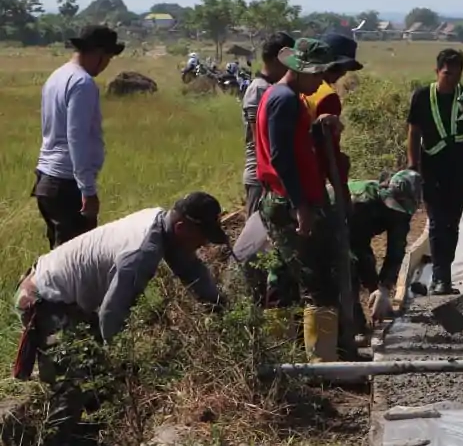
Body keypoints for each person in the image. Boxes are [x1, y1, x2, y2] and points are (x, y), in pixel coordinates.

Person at [13, 193, 228, 382]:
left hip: (64, 299)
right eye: (203, 237)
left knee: (99, 374)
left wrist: (224, 312)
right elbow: (111, 313)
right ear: (181, 228)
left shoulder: (162, 223)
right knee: (75, 380)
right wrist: (125, 363)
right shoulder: (142, 252)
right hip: (43, 298)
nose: (205, 244)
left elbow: (191, 270)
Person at [256, 37, 351, 362]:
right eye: (318, 75)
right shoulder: (285, 100)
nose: (322, 81)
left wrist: (316, 129)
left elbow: (291, 142)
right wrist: (301, 206)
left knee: (282, 279)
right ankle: (323, 363)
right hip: (289, 202)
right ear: (300, 71)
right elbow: (282, 157)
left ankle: (282, 358)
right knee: (318, 282)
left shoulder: (283, 97)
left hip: (281, 200)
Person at [34, 25, 124, 248]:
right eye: (108, 59)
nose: (106, 65)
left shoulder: (57, 76)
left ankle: (31, 283)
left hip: (46, 179)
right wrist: (88, 190)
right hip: (66, 184)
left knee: (59, 260)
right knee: (75, 264)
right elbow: (77, 138)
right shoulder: (82, 83)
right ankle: (29, 284)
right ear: (99, 53)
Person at [406, 49, 463, 296]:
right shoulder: (422, 96)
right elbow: (413, 132)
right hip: (431, 168)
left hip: (458, 167)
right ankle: (439, 277)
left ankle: (444, 274)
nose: (452, 79)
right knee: (436, 222)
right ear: (437, 71)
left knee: (452, 224)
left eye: (456, 74)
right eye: (447, 74)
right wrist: (413, 166)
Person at [347, 170, 423, 326]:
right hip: (324, 225)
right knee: (349, 271)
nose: (396, 212)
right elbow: (354, 248)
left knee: (367, 269)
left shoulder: (402, 212)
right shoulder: (361, 202)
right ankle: (354, 324)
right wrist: (373, 284)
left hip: (356, 238)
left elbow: (396, 251)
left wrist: (384, 289)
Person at [242, 32, 294, 216]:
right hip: (260, 174)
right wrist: (267, 173)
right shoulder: (259, 89)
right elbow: (259, 139)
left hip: (272, 171)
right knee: (256, 232)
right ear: (276, 59)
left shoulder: (273, 88)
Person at [302, 32, 363, 183]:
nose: (343, 73)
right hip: (313, 170)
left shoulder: (301, 85)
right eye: (341, 67)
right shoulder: (328, 96)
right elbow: (328, 147)